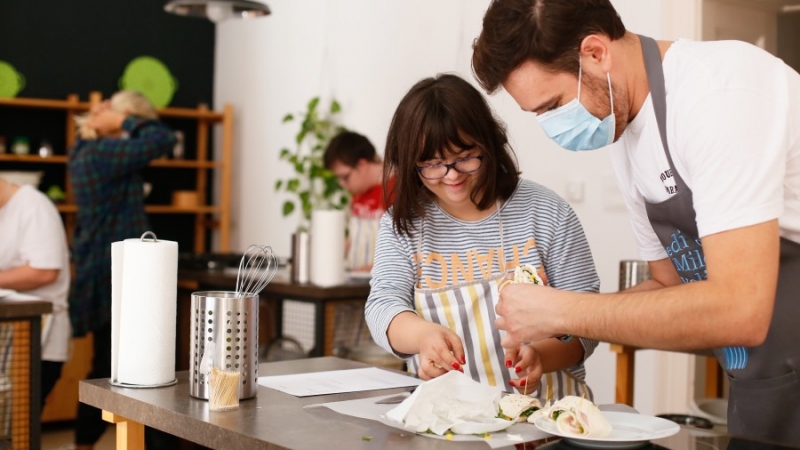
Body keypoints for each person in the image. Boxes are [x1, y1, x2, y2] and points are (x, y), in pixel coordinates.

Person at [472, 0, 800, 442]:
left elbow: (741, 309)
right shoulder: (626, 136)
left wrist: (561, 308)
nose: (552, 127)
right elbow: (672, 287)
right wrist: (555, 330)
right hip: (764, 384)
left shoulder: (718, 95)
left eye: (553, 105)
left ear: (596, 53)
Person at [365, 73, 600, 399]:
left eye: (464, 158)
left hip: (549, 420)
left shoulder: (545, 212)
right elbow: (382, 306)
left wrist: (541, 357)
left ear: (489, 144)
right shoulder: (404, 224)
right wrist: (423, 337)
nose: (451, 176)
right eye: (432, 164)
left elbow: (588, 322)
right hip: (449, 422)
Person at [68, 90, 176, 450]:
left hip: (107, 268)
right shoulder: (103, 152)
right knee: (138, 367)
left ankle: (85, 442)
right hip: (119, 274)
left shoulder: (88, 151)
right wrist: (121, 122)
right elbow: (163, 138)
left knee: (109, 362)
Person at [0, 176, 71, 407]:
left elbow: (44, 271)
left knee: (21, 427)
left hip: (40, 341)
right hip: (8, 337)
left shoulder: (33, 206)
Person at [324, 131, 393, 272]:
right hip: (356, 283)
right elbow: (355, 238)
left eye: (345, 177)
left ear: (362, 164)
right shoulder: (358, 193)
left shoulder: (396, 190)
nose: (342, 184)